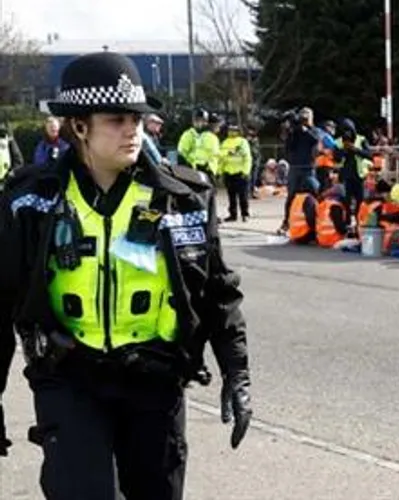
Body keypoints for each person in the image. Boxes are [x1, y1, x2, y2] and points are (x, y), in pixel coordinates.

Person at [0, 52, 252, 500]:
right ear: (79, 126)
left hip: (156, 380)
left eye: (136, 118)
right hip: (70, 376)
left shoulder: (183, 199)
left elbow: (218, 291)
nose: (132, 129)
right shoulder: (30, 202)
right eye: (116, 119)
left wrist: (237, 373)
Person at [287, 181, 349, 247]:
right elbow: (311, 219)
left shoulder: (297, 198)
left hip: (295, 234)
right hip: (309, 235)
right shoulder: (309, 199)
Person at [334, 120, 373, 219]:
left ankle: (358, 220)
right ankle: (346, 221)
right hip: (345, 176)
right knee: (345, 201)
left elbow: (369, 154)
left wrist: (355, 150)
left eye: (349, 131)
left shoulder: (361, 139)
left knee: (360, 200)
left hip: (359, 175)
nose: (347, 134)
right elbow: (335, 158)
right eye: (345, 131)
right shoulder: (338, 142)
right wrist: (344, 151)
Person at [220, 125, 252, 222]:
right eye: (230, 130)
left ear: (238, 132)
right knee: (231, 196)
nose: (231, 132)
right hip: (229, 172)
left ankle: (245, 214)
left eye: (234, 131)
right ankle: (232, 215)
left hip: (240, 173)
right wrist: (220, 171)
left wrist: (246, 171)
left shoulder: (242, 142)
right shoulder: (225, 142)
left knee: (243, 196)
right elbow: (221, 157)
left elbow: (247, 157)